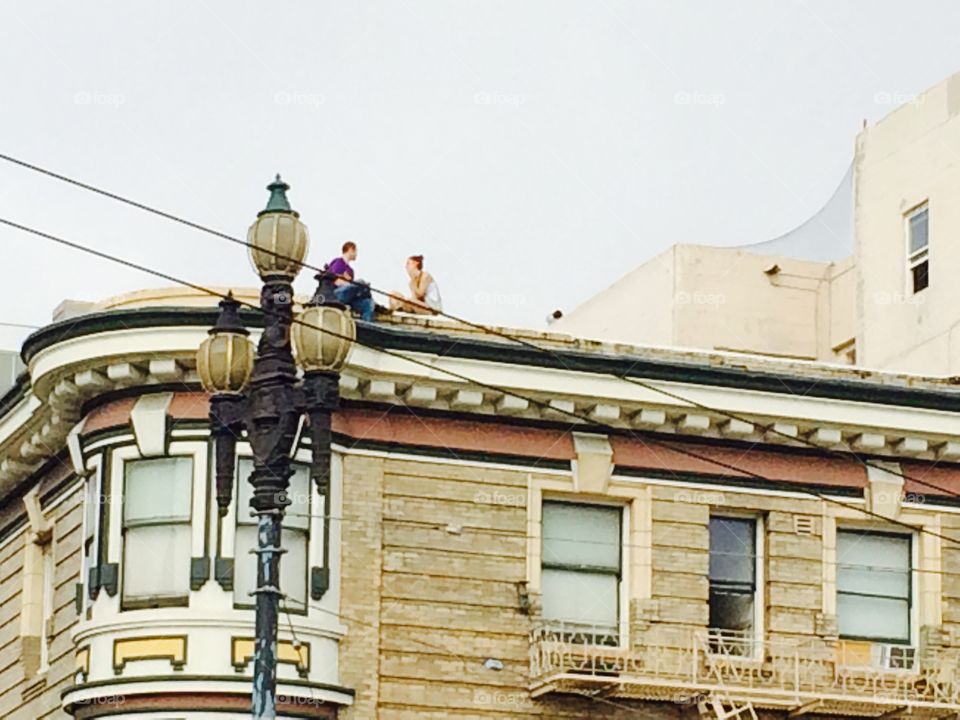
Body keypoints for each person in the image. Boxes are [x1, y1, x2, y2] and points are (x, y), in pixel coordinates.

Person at [327, 241, 375, 321]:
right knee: (361, 282)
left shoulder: (350, 271)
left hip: (349, 299)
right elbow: (335, 282)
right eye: (356, 251)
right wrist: (348, 283)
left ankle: (367, 326)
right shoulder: (338, 262)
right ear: (351, 250)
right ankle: (366, 291)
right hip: (335, 295)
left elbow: (351, 288)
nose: (356, 254)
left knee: (369, 303)